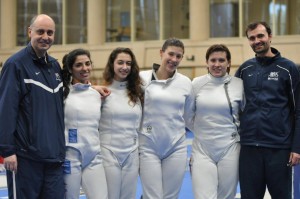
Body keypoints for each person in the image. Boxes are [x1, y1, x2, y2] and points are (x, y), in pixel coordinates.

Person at [0, 14, 65, 198]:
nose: (46, 36)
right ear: (30, 32)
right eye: (40, 31)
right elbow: (6, 109)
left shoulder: (54, 66)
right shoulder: (15, 65)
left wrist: (94, 89)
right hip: (25, 159)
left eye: (50, 32)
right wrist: (7, 151)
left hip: (54, 158)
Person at [235, 21, 300, 199]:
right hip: (249, 149)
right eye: (252, 38)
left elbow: (298, 111)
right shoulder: (244, 69)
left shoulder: (288, 68)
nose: (257, 40)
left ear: (270, 36)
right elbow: (234, 108)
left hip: (279, 149)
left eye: (260, 36)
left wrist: (297, 147)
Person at [139, 38, 195, 199]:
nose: (174, 59)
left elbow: (190, 117)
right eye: (171, 54)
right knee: (153, 196)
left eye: (179, 56)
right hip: (148, 146)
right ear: (161, 53)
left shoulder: (185, 83)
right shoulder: (141, 78)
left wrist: (208, 137)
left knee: (171, 196)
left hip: (175, 147)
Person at [189, 44, 245, 199]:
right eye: (213, 60)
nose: (217, 64)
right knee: (204, 195)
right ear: (207, 62)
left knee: (227, 195)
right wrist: (202, 131)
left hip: (230, 147)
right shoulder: (196, 84)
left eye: (221, 60)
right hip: (202, 149)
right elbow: (187, 115)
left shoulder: (239, 84)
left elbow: (244, 114)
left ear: (229, 63)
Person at [62, 48, 108, 199]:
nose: (85, 68)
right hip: (69, 157)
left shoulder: (97, 95)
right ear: (70, 69)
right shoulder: (61, 93)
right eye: (79, 65)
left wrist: (94, 88)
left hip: (93, 156)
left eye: (87, 64)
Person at [99, 47, 143, 199]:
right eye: (120, 63)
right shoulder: (101, 92)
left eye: (128, 63)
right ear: (112, 64)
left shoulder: (137, 93)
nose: (125, 67)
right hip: (108, 153)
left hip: (132, 153)